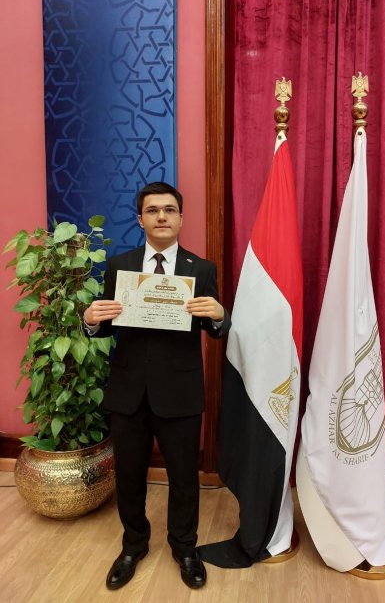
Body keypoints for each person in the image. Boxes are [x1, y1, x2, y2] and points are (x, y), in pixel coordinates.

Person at [84, 182, 231, 590]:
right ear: (140, 219)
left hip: (180, 393)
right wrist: (91, 320)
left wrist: (219, 314)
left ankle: (185, 548)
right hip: (128, 392)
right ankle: (133, 545)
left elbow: (215, 330)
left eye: (169, 210)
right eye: (152, 210)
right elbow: (105, 326)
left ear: (181, 218)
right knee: (129, 476)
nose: (161, 216)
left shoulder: (201, 270)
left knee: (184, 478)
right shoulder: (120, 266)